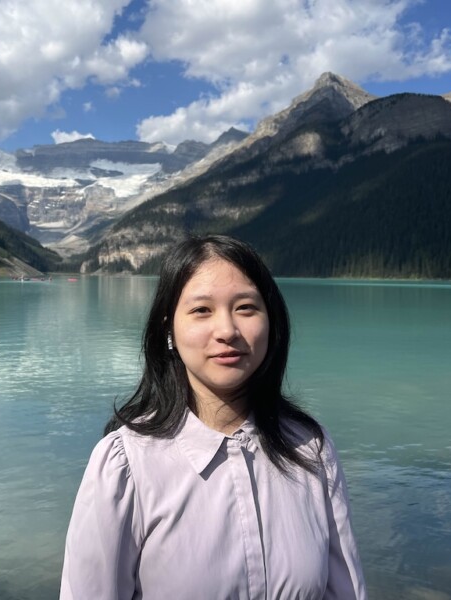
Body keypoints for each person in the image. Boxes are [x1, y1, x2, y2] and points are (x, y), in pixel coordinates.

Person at [60, 235, 367, 599]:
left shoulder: (310, 450)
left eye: (246, 308)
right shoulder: (126, 465)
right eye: (201, 310)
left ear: (271, 322)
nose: (227, 331)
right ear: (168, 330)